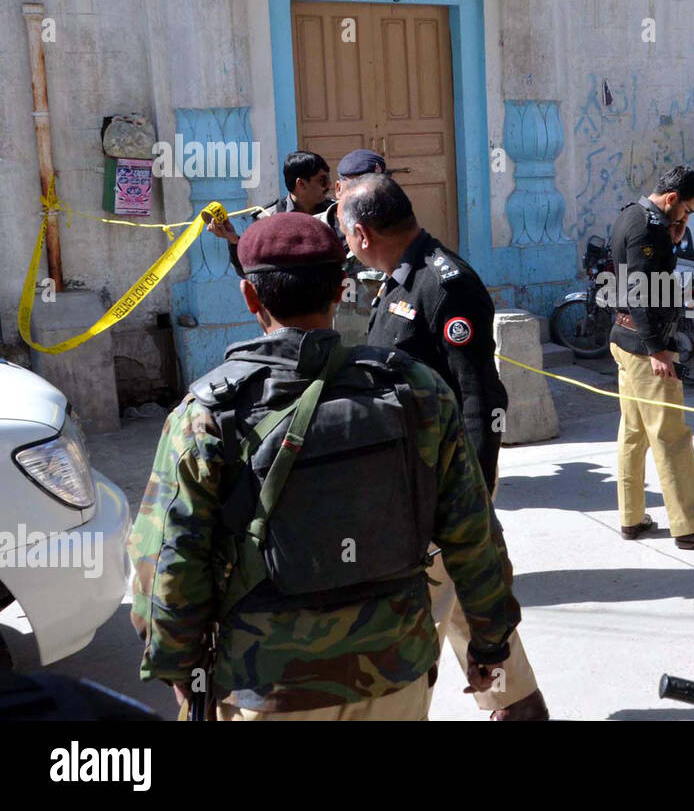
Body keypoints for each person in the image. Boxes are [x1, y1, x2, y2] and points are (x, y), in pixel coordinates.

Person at [128, 211, 520, 720]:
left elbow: (166, 562)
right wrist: (489, 644)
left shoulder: (206, 415)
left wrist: (180, 668)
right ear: (341, 291)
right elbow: (474, 535)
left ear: (250, 297)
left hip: (267, 686)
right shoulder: (419, 392)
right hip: (394, 672)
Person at [338, 171, 548, 721]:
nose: (344, 245)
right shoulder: (398, 276)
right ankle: (515, 702)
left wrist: (472, 492)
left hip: (444, 480)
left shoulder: (443, 283)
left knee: (420, 610)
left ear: (363, 234)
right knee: (462, 597)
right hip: (414, 475)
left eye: (344, 233)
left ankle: (486, 703)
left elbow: (480, 397)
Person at [608, 166, 694, 551]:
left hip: (624, 338)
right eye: (687, 210)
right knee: (671, 436)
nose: (686, 218)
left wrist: (673, 238)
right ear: (671, 199)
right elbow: (640, 291)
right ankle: (690, 527)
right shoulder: (648, 228)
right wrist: (658, 350)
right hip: (644, 346)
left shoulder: (633, 213)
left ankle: (632, 517)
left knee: (634, 434)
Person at [206, 150, 333, 274]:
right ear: (301, 184)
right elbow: (251, 271)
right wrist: (234, 241)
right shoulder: (268, 218)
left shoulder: (335, 213)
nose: (329, 185)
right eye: (323, 180)